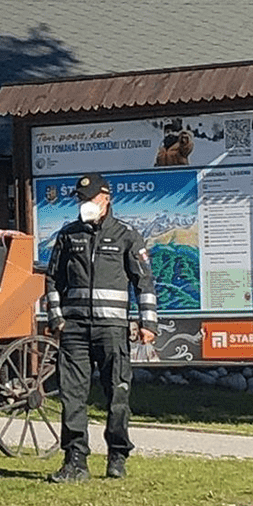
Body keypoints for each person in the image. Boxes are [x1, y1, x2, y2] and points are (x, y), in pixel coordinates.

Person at [43, 172, 157, 483]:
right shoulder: (68, 235)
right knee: (72, 396)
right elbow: (52, 280)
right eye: (80, 200)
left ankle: (117, 455)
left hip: (112, 330)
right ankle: (75, 461)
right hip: (75, 330)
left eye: (89, 199)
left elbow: (144, 282)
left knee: (117, 394)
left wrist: (148, 323)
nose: (84, 205)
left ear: (105, 199)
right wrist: (56, 319)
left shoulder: (126, 236)